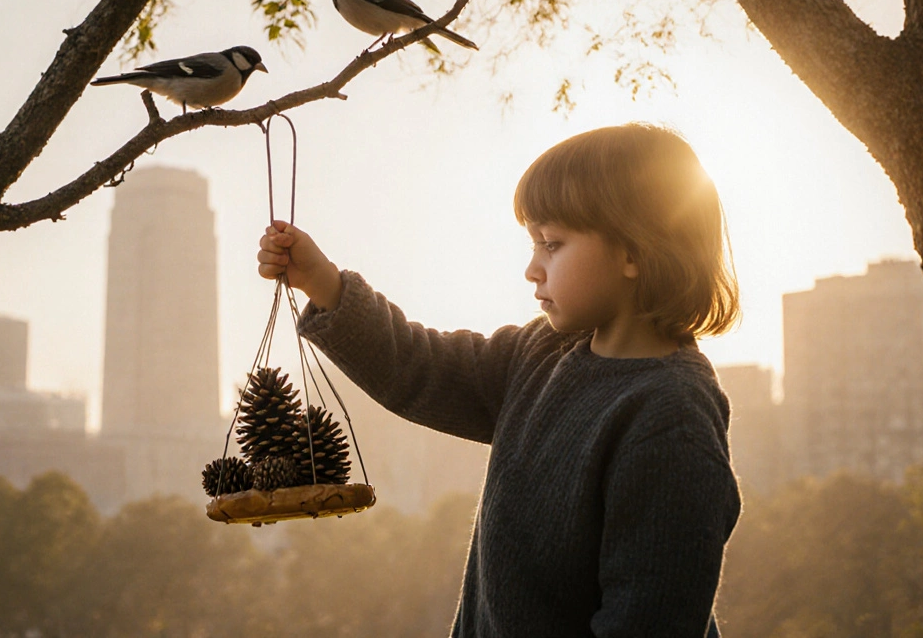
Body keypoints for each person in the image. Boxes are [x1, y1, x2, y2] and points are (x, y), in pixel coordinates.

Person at [256, 123, 742, 637]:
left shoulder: (671, 418)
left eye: (552, 244)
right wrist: (322, 282)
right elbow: (420, 368)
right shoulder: (539, 353)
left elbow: (649, 620)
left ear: (634, 252)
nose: (532, 268)